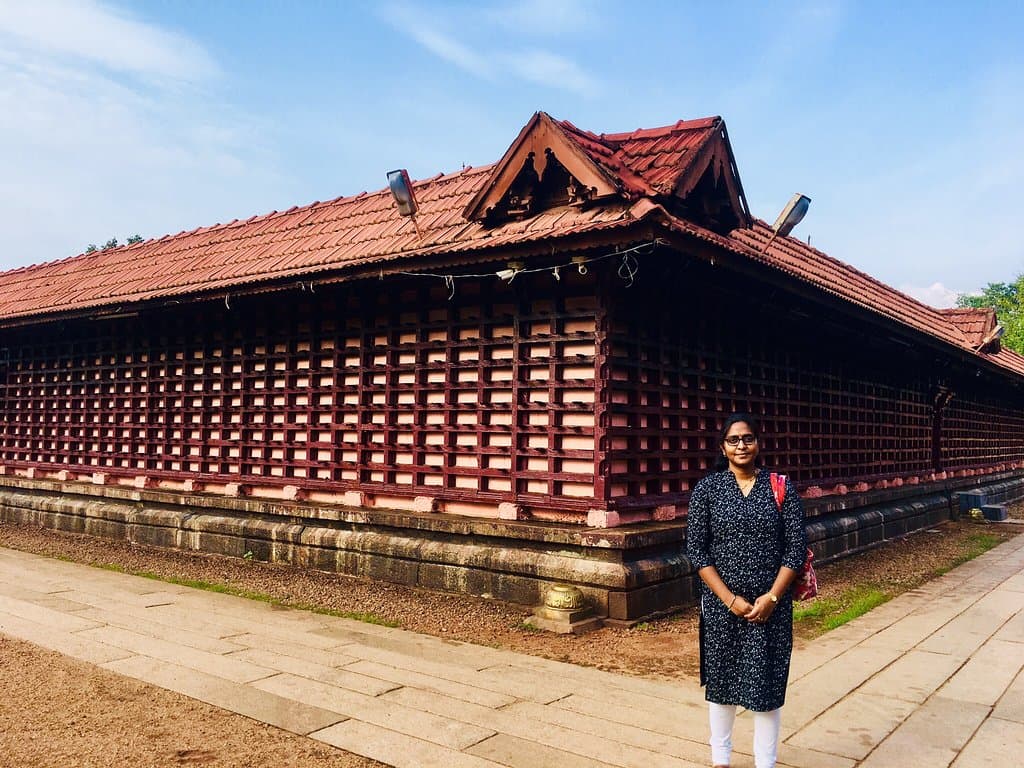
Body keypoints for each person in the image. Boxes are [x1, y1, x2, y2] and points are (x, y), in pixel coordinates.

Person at [685, 413, 807, 768]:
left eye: (748, 438)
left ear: (759, 444)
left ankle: (764, 763)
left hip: (772, 605)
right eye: (734, 440)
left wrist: (771, 598)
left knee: (766, 685)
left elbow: (795, 548)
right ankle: (720, 758)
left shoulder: (779, 486)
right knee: (722, 681)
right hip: (723, 603)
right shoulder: (708, 490)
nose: (742, 445)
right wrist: (730, 600)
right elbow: (697, 549)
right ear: (723, 448)